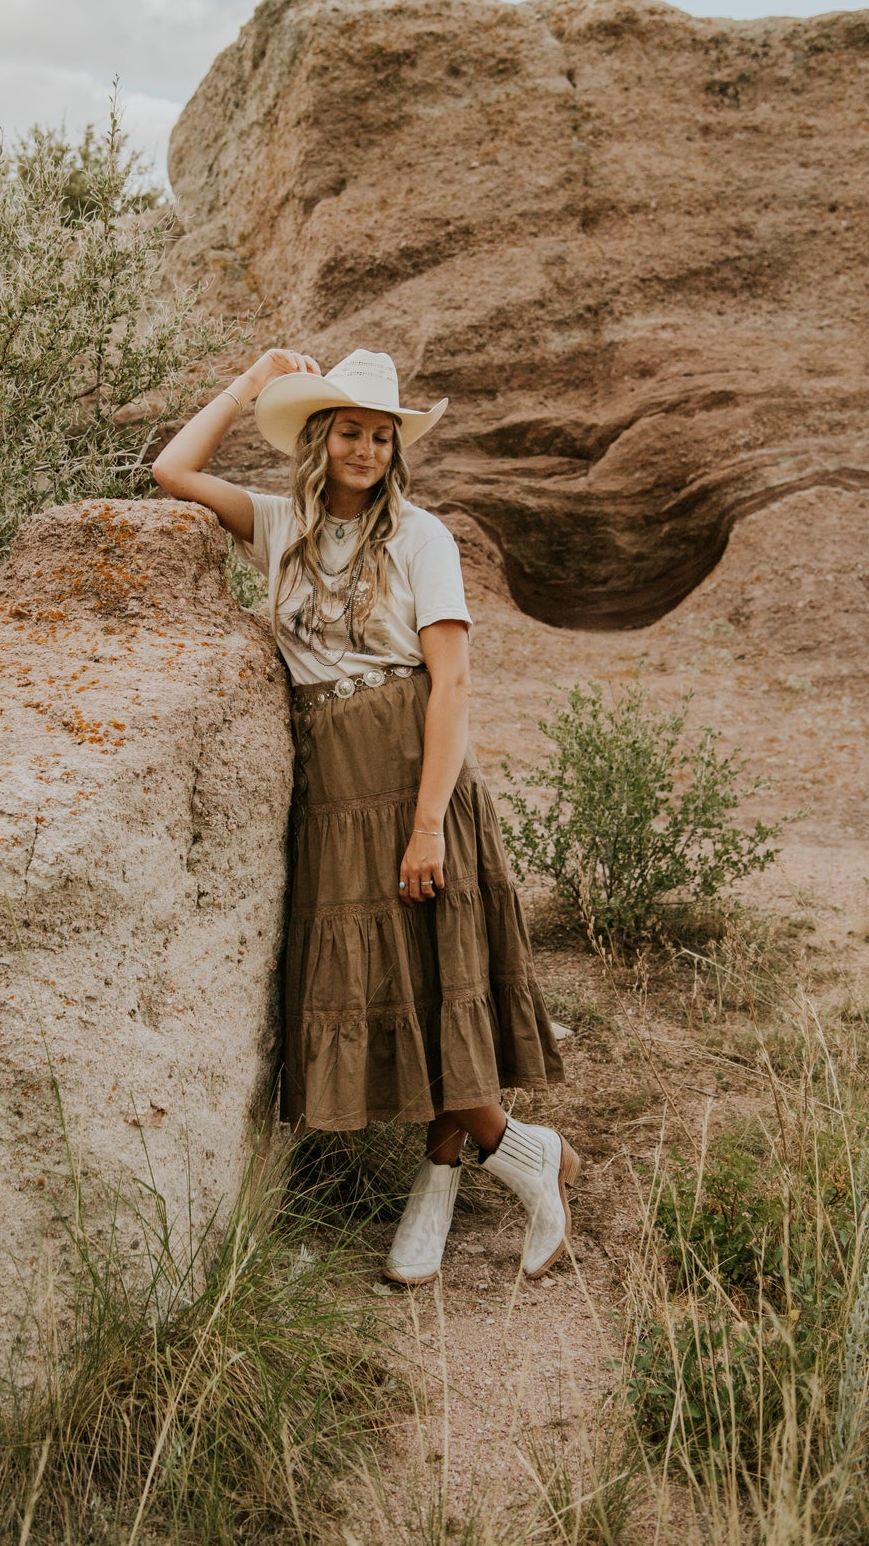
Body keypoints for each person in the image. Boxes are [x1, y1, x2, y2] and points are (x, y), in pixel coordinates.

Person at [152, 346, 577, 1285]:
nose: (367, 449)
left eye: (383, 437)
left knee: (440, 977)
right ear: (318, 437)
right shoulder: (278, 526)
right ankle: (519, 1155)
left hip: (415, 772)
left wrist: (429, 823)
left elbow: (453, 683)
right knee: (391, 985)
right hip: (333, 786)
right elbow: (170, 472)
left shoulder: (423, 536)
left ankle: (455, 1178)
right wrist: (247, 381)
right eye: (350, 431)